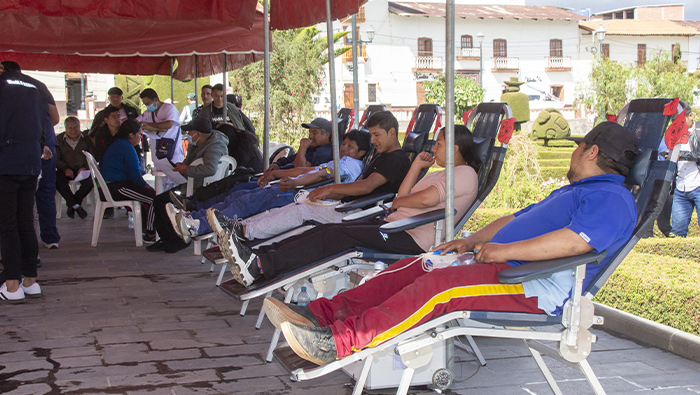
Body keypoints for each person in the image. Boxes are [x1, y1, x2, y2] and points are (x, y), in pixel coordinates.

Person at [263, 121, 640, 366]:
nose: (574, 152)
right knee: (416, 266)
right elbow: (516, 220)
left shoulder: (612, 198)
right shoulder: (576, 190)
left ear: (591, 152)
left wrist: (502, 251)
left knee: (439, 288)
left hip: (531, 286)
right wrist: (471, 240)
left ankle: (341, 342)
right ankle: (322, 315)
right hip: (503, 266)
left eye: (579, 147)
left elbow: (574, 243)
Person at [221, 125, 479, 287]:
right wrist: (416, 167)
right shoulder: (440, 173)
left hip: (410, 236)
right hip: (393, 226)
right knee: (325, 229)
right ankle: (257, 258)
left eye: (439, 143)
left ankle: (262, 265)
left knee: (335, 235)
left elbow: (426, 200)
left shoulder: (465, 173)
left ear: (455, 148)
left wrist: (398, 203)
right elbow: (405, 193)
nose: (434, 148)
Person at [224, 111, 409, 241]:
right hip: (349, 206)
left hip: (360, 214)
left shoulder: (396, 159)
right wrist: (328, 193)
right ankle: (241, 227)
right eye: (372, 135)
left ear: (392, 132)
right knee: (300, 205)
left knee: (301, 211)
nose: (373, 140)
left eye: (377, 135)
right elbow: (359, 187)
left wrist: (328, 189)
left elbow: (366, 187)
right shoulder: (382, 156)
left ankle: (245, 232)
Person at [168, 129, 370, 242]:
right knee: (240, 197)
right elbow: (304, 170)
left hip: (301, 194)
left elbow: (321, 175)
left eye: (350, 146)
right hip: (292, 186)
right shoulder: (339, 159)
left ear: (362, 153)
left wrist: (294, 182)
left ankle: (198, 226)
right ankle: (194, 218)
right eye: (343, 144)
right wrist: (276, 173)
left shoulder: (351, 165)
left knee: (245, 204)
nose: (344, 148)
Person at [0, 60, 50, 301]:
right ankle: (30, 281)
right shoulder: (35, 87)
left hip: (6, 164)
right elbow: (48, 123)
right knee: (26, 224)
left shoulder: (1, 86)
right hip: (31, 163)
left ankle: (11, 286)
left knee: (7, 226)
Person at [1, 61, 62, 250]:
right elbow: (55, 118)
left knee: (13, 213)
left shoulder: (4, 86)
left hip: (15, 152)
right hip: (41, 146)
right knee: (43, 194)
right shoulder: (38, 85)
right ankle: (50, 238)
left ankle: (16, 255)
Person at [147, 116, 229, 252]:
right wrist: (182, 166)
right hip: (190, 184)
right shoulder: (196, 144)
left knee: (161, 201)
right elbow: (189, 162)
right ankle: (170, 238)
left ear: (198, 134)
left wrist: (187, 169)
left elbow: (210, 168)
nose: (188, 136)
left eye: (190, 132)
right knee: (160, 200)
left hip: (203, 190)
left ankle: (175, 241)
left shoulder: (215, 145)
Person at [98, 120, 157, 242]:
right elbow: (135, 175)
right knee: (153, 198)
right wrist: (146, 186)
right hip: (115, 188)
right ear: (131, 135)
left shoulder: (119, 144)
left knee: (147, 196)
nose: (140, 138)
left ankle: (145, 228)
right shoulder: (127, 147)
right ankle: (150, 233)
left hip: (111, 186)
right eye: (139, 135)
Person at [55, 116, 95, 219]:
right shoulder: (59, 140)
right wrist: (65, 168)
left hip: (82, 169)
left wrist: (85, 167)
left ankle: (73, 204)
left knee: (91, 181)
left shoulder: (86, 139)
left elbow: (94, 155)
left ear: (79, 126)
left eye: (76, 127)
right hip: (65, 169)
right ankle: (76, 205)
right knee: (57, 179)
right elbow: (55, 158)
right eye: (70, 127)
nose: (73, 130)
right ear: (66, 128)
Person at [670, 105, 700, 237]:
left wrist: (681, 155)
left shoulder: (698, 130)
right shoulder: (674, 134)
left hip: (697, 185)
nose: (678, 124)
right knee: (677, 232)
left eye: (680, 120)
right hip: (681, 187)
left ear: (690, 116)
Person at [137, 88, 184, 167]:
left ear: (155, 99)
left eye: (148, 103)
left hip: (172, 151)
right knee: (159, 177)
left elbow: (169, 124)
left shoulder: (169, 108)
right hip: (157, 152)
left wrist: (148, 124)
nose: (147, 106)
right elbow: (136, 121)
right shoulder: (148, 113)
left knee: (173, 175)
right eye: (145, 104)